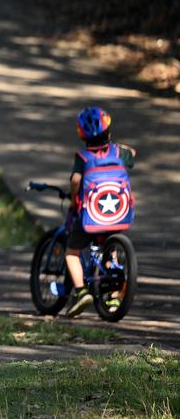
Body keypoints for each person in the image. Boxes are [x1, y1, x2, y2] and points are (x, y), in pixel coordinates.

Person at [65, 106, 136, 317]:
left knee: (72, 252)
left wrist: (73, 200)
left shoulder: (83, 157)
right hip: (116, 215)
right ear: (109, 131)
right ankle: (113, 296)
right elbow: (132, 153)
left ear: (82, 135)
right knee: (110, 250)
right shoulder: (119, 153)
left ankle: (81, 292)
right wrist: (115, 145)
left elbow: (76, 180)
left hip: (91, 216)